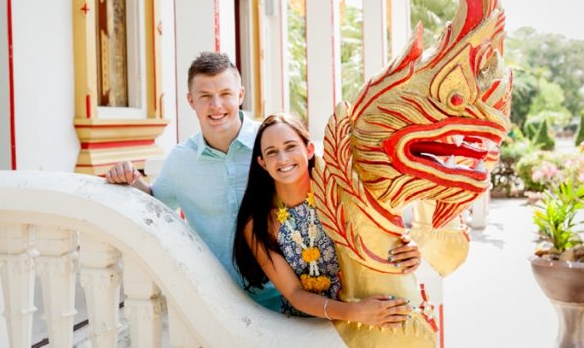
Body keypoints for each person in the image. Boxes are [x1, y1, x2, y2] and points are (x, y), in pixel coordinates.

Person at [105, 52, 281, 311]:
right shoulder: (180, 161)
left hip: (286, 295)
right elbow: (155, 203)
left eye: (225, 94)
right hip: (219, 304)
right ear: (191, 101)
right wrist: (129, 178)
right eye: (205, 96)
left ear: (240, 95)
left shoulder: (272, 143)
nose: (216, 105)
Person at [233, 113, 421, 326]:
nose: (283, 159)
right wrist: (354, 313)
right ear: (263, 163)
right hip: (308, 327)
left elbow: (378, 242)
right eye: (272, 152)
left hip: (368, 310)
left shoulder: (340, 193)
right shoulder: (258, 223)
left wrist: (409, 250)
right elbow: (294, 293)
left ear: (309, 149)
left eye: (290, 146)